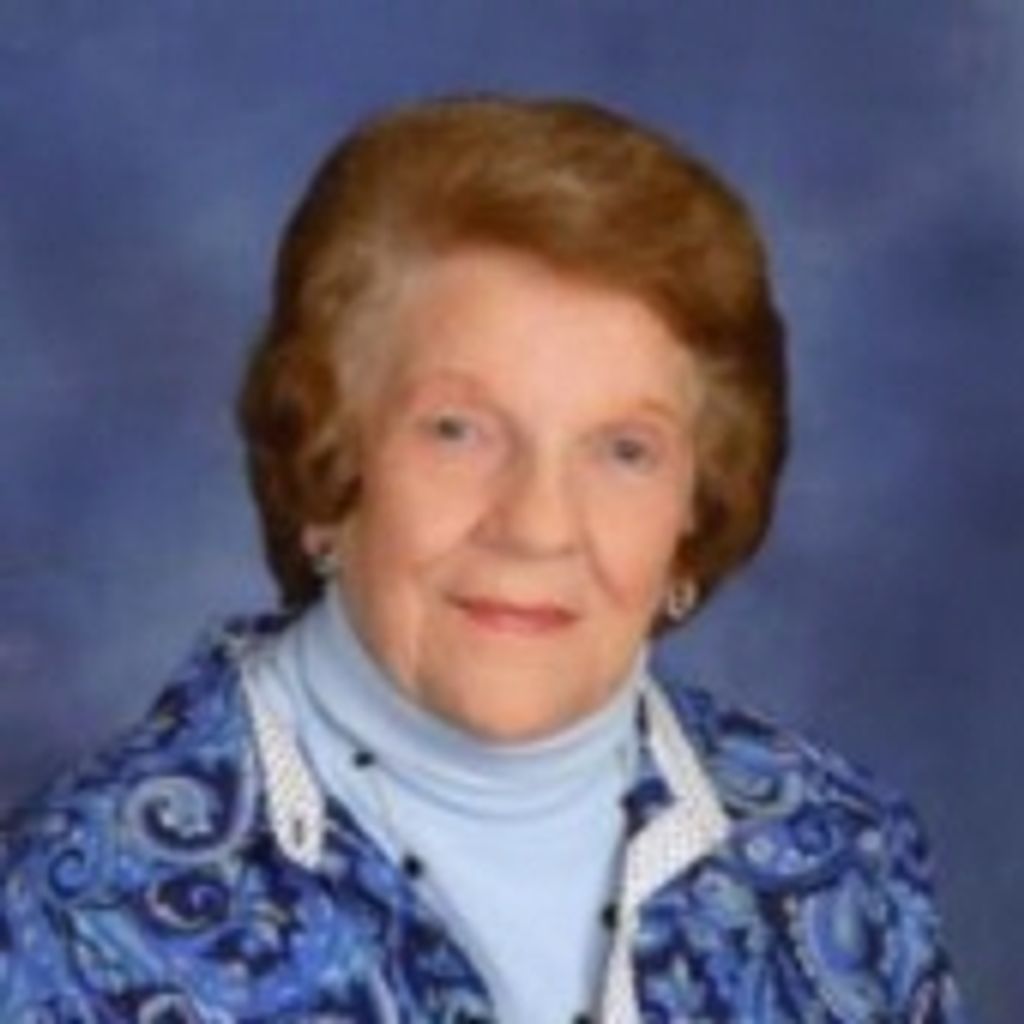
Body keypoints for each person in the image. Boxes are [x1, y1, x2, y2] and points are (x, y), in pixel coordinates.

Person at [0, 95, 965, 1023]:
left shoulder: (837, 855)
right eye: (456, 431)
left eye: (624, 450)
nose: (537, 526)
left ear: (695, 506)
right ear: (330, 468)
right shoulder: (75, 915)